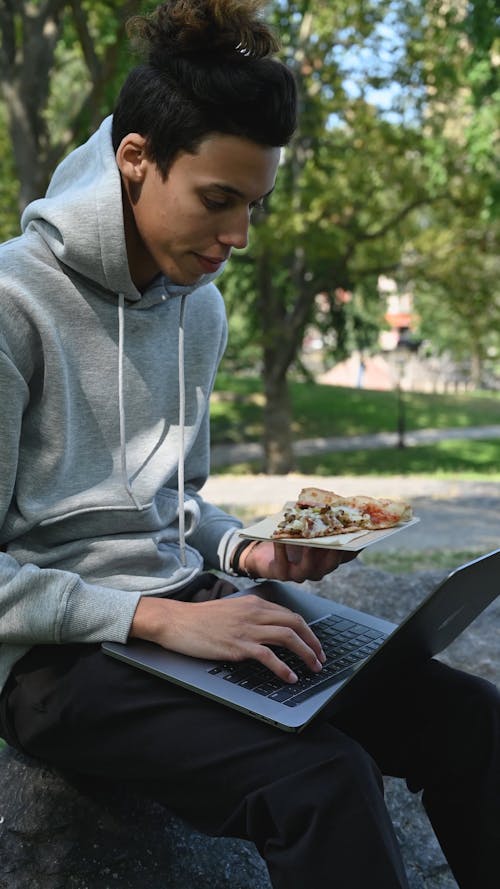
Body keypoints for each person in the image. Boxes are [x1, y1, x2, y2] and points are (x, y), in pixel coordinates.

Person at [0, 2, 498, 887]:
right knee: (322, 778)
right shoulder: (13, 304)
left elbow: (170, 501)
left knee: (470, 716)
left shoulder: (202, 303)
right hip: (53, 660)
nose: (238, 239)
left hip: (182, 605)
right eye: (218, 201)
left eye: (255, 206)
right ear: (135, 160)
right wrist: (164, 618)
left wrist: (246, 549)